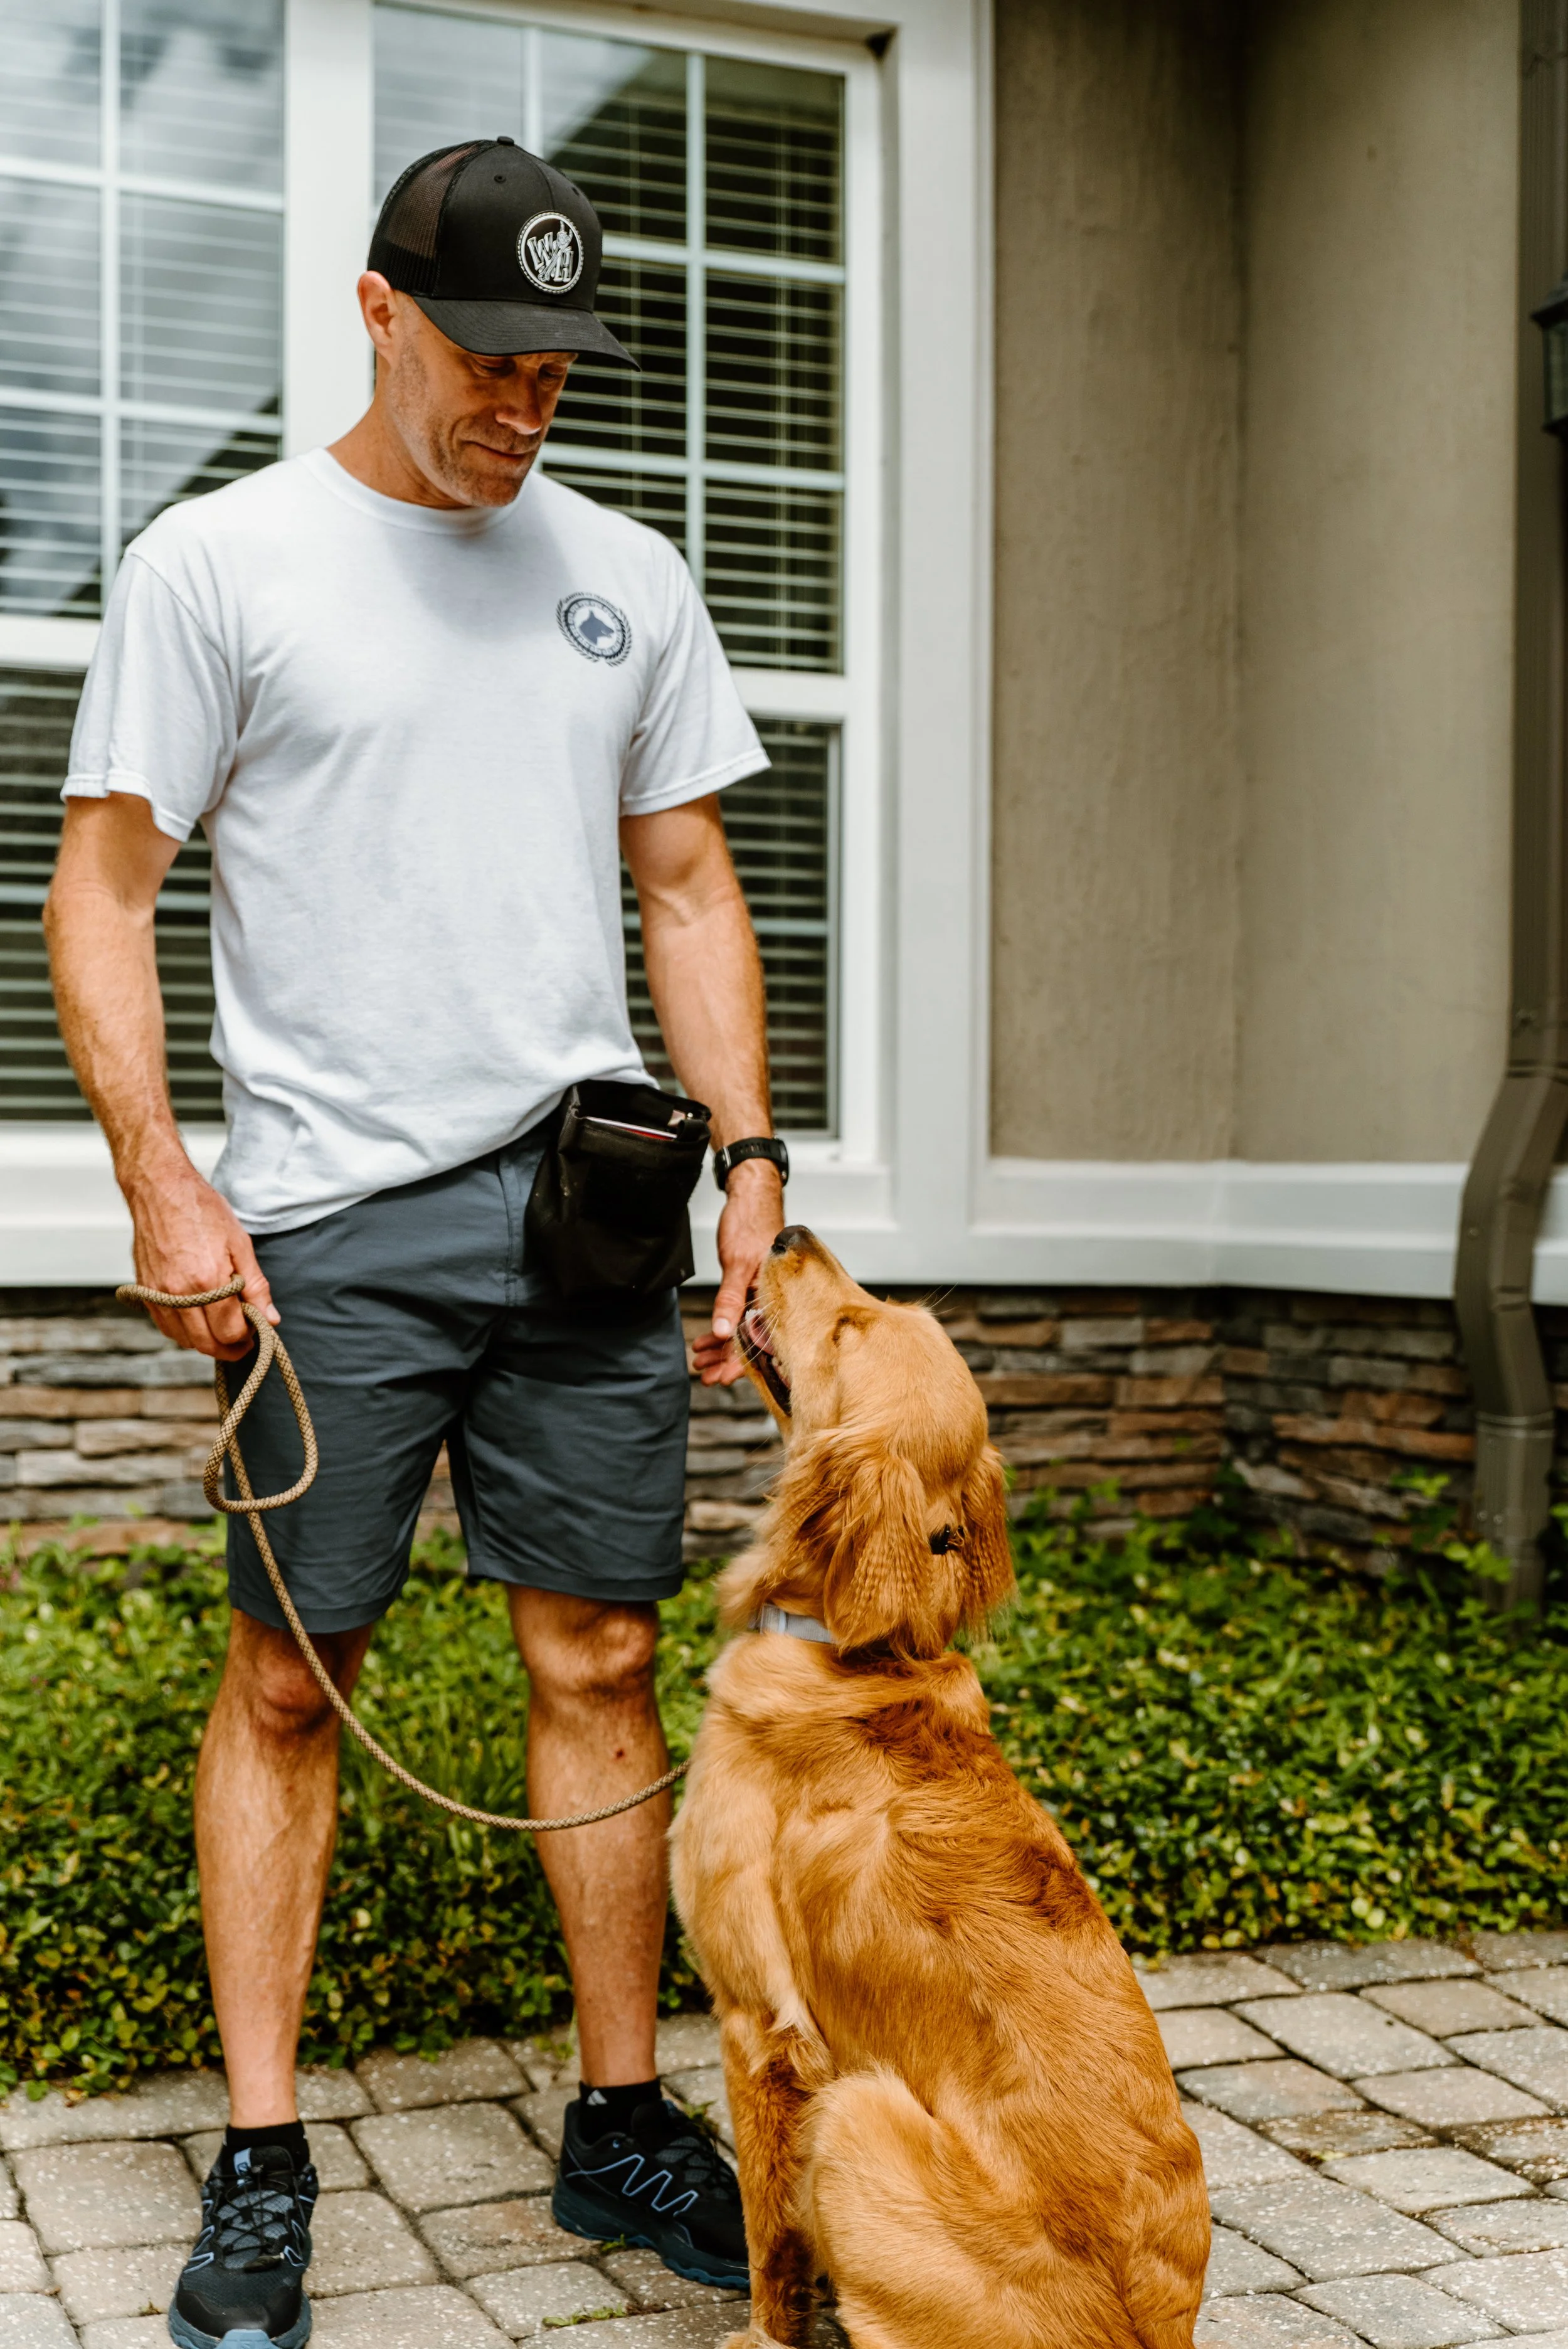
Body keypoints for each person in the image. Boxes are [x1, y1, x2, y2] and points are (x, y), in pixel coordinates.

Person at [45, 139, 786, 2349]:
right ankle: (263, 2159)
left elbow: (686, 895)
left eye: (561, 366)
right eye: (489, 355)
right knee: (291, 1678)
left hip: (588, 1214)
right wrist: (160, 1178)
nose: (524, 400)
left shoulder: (626, 578)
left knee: (602, 1662)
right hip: (325, 1228)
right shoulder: (224, 564)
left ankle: (619, 2121)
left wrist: (751, 1170)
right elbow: (102, 892)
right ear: (381, 314)